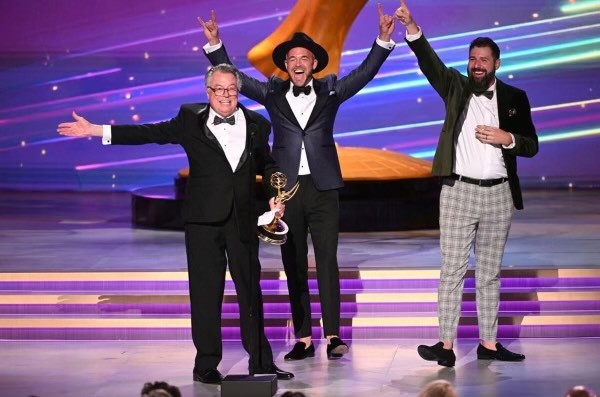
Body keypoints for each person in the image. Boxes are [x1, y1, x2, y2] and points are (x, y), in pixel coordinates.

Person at [57, 64, 293, 383]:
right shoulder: (189, 119)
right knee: (206, 293)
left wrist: (274, 196)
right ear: (208, 92)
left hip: (242, 219)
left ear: (239, 91)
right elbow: (149, 133)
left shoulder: (256, 124)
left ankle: (262, 362)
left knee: (250, 291)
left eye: (231, 89)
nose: (225, 95)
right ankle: (206, 364)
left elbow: (267, 164)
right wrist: (97, 130)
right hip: (202, 221)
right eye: (219, 89)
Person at [199, 5, 396, 361]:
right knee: (293, 263)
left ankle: (333, 334)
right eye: (292, 58)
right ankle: (304, 336)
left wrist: (382, 40)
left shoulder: (332, 90)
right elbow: (237, 80)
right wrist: (215, 45)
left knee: (327, 261)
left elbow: (364, 74)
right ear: (285, 65)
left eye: (304, 57)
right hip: (285, 193)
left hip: (323, 189)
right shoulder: (273, 92)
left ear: (314, 63)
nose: (298, 63)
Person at [395, 0, 538, 367]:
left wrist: (506, 137)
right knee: (453, 270)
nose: (477, 64)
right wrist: (413, 29)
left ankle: (489, 344)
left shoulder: (514, 99)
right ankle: (445, 345)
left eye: (484, 59)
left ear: (496, 63)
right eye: (473, 58)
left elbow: (531, 145)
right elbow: (430, 63)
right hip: (458, 192)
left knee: (489, 272)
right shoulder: (455, 86)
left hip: (499, 195)